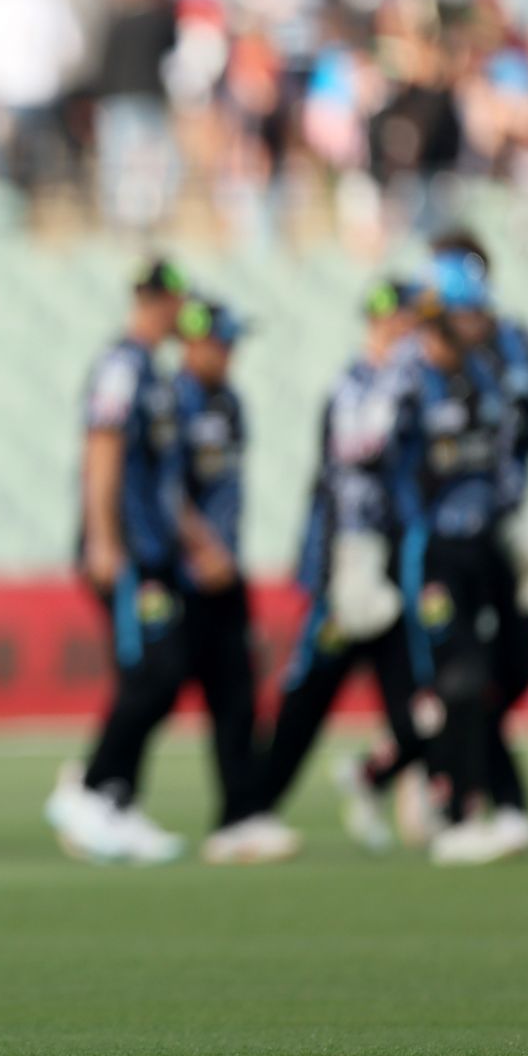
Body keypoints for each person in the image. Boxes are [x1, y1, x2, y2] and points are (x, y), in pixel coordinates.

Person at [338, 254, 521, 866]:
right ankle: (454, 813)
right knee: (456, 680)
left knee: (477, 682)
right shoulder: (405, 379)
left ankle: (376, 775)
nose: (479, 323)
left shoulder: (485, 374)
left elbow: (500, 460)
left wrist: (520, 526)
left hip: (482, 549)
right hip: (427, 552)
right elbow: (356, 450)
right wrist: (360, 549)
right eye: (468, 312)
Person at [254, 279, 434, 851]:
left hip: (399, 577)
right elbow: (343, 470)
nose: (399, 334)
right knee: (306, 699)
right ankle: (253, 809)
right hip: (347, 575)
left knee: (421, 714)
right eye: (391, 324)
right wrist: (320, 572)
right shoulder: (354, 389)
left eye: (407, 323)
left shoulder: (420, 387)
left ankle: (375, 778)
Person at [46, 259, 203, 866]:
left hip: (155, 549)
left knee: (157, 673)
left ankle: (117, 798)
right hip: (130, 551)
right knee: (153, 672)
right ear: (156, 300)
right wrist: (104, 540)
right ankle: (90, 788)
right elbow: (103, 449)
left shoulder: (151, 372)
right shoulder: (121, 366)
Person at [434, 230, 528, 857]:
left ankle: (427, 760)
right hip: (444, 540)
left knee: (513, 670)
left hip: (508, 535)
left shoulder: (521, 351)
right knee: (464, 673)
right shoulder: (427, 364)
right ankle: (475, 800)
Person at [174, 299, 301, 865]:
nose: (230, 354)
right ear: (194, 342)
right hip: (181, 574)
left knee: (237, 697)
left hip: (225, 572)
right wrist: (201, 547)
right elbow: (160, 490)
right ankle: (103, 783)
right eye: (222, 343)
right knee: (154, 689)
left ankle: (239, 817)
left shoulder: (230, 405)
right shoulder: (169, 400)